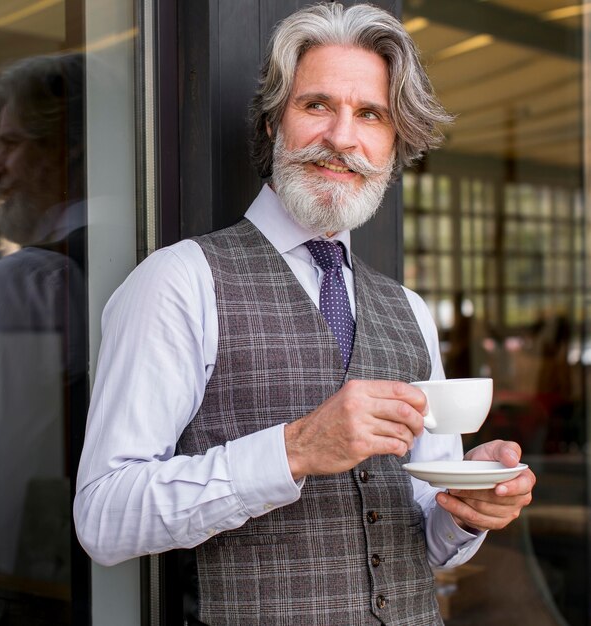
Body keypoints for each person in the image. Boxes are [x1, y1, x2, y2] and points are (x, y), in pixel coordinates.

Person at [74, 4, 535, 625]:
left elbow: (422, 544)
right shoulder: (179, 280)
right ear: (273, 124)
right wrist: (294, 449)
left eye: (370, 114)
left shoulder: (410, 311)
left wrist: (466, 505)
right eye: (316, 105)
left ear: (394, 142)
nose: (343, 138)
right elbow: (103, 518)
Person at [0, 52, 86, 624]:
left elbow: (5, 503)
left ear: (68, 147)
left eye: (10, 143)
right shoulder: (158, 250)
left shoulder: (26, 280)